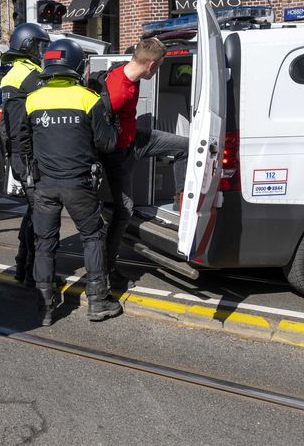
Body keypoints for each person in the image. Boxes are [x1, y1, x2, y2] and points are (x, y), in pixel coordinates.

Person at [25, 39, 123, 326]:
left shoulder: (33, 99)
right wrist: (112, 119)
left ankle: (44, 305)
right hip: (78, 184)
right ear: (78, 65)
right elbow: (107, 144)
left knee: (44, 243)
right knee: (92, 237)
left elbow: (23, 141)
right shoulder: (88, 98)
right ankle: (98, 300)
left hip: (45, 185)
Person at [99, 38, 189, 292]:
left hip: (137, 139)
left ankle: (182, 204)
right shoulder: (117, 92)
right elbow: (95, 132)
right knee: (124, 209)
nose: (157, 71)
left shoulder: (129, 75)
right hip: (118, 153)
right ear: (150, 65)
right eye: (159, 66)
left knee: (185, 146)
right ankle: (107, 268)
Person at [0, 22, 49, 287]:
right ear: (27, 45)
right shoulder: (32, 75)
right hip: (29, 154)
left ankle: (22, 264)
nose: (42, 51)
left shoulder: (11, 75)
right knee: (40, 214)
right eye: (39, 45)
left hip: (18, 154)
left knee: (32, 211)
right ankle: (32, 272)